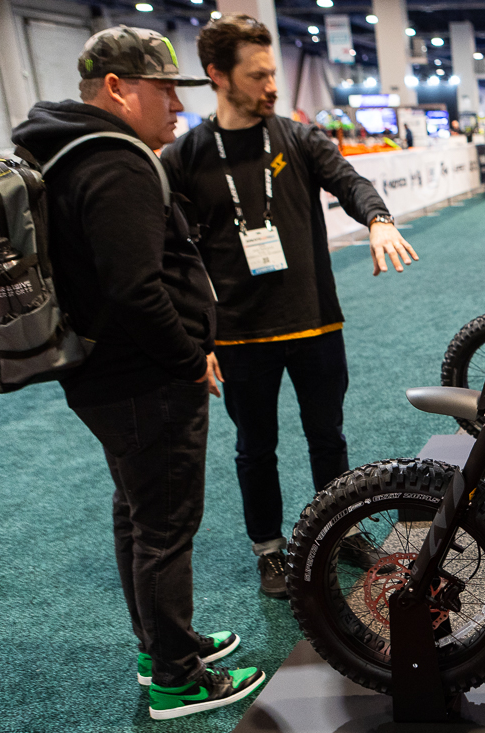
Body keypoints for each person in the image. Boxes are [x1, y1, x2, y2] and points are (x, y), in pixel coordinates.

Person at [12, 26, 265, 719]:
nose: (178, 106)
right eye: (164, 91)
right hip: (142, 378)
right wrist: (189, 357)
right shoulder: (113, 162)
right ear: (117, 88)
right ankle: (177, 679)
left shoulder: (67, 148)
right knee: (164, 525)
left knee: (138, 513)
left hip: (108, 375)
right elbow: (136, 290)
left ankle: (162, 646)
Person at [162, 14, 418, 598]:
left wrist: (378, 220)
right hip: (238, 333)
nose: (272, 86)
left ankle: (340, 531)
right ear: (218, 76)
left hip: (314, 323)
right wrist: (195, 338)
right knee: (255, 448)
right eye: (257, 76)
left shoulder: (300, 139)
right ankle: (269, 551)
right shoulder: (186, 156)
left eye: (273, 73)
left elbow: (351, 182)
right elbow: (171, 256)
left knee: (328, 437)